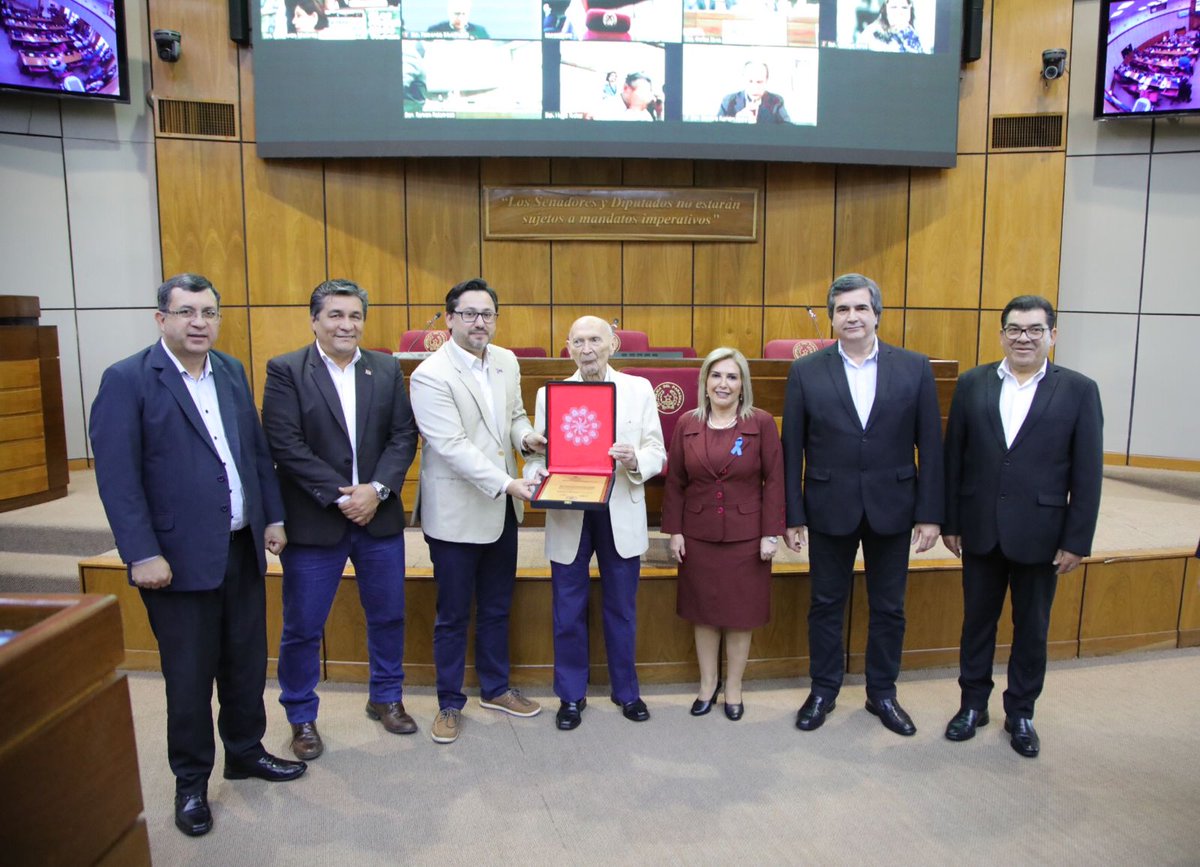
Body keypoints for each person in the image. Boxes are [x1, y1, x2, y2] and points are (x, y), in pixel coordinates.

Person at [89, 274, 306, 838]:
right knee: (187, 677)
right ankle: (191, 782)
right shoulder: (128, 380)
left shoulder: (231, 371)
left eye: (209, 312)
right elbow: (118, 479)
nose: (199, 322)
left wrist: (273, 516)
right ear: (161, 319)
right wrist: (141, 553)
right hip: (174, 560)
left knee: (244, 660)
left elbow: (255, 452)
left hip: (239, 547)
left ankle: (244, 751)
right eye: (186, 312)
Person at [261, 280, 419, 761]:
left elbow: (403, 436)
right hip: (315, 522)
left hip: (379, 516)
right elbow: (285, 444)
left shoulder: (386, 367)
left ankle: (386, 696)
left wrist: (377, 491)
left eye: (354, 316)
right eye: (334, 315)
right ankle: (301, 715)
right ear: (314, 320)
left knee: (388, 614)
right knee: (305, 625)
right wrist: (341, 496)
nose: (345, 324)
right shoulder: (287, 369)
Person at [941, 296, 1103, 758]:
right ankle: (972, 705)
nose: (1023, 338)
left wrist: (1077, 539)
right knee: (977, 623)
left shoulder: (1078, 390)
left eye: (1034, 329)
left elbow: (1087, 474)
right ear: (1001, 335)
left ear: (1053, 334)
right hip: (980, 529)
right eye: (1014, 329)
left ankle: (1021, 712)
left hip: (1043, 533)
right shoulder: (973, 384)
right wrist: (952, 521)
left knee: (1032, 627)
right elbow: (955, 459)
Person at [783, 273, 943, 737]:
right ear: (831, 318)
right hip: (828, 506)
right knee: (825, 603)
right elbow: (792, 449)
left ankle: (883, 693)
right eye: (842, 309)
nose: (851, 317)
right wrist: (793, 514)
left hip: (893, 506)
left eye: (860, 308)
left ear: (877, 313)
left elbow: (930, 445)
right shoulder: (806, 371)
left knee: (889, 607)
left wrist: (931, 513)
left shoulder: (914, 368)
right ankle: (823, 689)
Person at [409, 278, 546, 744]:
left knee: (496, 606)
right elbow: (452, 447)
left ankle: (496, 687)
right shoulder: (431, 374)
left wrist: (527, 439)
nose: (479, 322)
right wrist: (510, 482)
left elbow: (514, 417)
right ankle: (449, 703)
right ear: (449, 319)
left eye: (487, 313)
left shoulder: (506, 361)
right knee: (452, 613)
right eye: (469, 314)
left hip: (501, 511)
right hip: (456, 514)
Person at [524, 316, 666, 730]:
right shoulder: (551, 395)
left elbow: (657, 449)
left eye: (595, 340)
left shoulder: (638, 390)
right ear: (568, 347)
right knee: (567, 608)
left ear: (613, 344)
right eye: (579, 342)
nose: (587, 349)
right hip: (569, 509)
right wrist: (536, 472)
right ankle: (570, 696)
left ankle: (627, 691)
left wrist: (636, 458)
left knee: (621, 607)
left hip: (620, 505)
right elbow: (538, 454)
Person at [662, 347, 784, 721]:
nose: (723, 384)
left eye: (732, 377)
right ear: (705, 382)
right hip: (698, 535)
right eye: (716, 376)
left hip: (746, 537)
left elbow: (775, 479)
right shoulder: (687, 423)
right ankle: (706, 684)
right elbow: (675, 483)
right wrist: (675, 532)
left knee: (740, 616)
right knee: (704, 615)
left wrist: (771, 534)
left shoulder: (760, 423)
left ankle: (733, 687)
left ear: (743, 385)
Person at [718, 61, 791, 124]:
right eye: (750, 81)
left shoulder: (776, 101)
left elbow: (788, 130)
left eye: (759, 82)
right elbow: (716, 130)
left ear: (766, 81)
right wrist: (737, 121)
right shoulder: (729, 100)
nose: (754, 87)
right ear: (744, 80)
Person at [855, 0, 924, 53]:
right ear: (885, 9)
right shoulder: (870, 34)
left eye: (904, 8)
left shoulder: (913, 34)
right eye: (894, 7)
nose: (899, 12)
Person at [590, 71, 663, 121]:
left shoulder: (645, 116)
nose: (647, 99)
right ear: (626, 89)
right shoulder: (605, 108)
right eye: (643, 93)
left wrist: (659, 114)